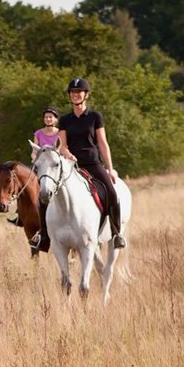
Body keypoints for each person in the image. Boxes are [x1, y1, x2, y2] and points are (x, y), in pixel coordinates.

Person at [31, 77, 126, 253]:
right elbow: (63, 145)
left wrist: (110, 168)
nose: (75, 95)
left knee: (112, 193)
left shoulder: (95, 117)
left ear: (86, 95)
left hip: (93, 163)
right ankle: (45, 237)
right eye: (72, 92)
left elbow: (103, 143)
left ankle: (116, 233)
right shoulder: (65, 120)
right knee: (44, 197)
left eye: (78, 92)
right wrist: (68, 155)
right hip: (71, 166)